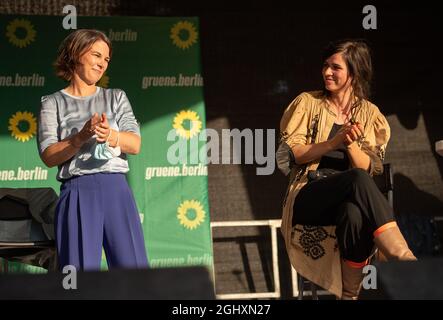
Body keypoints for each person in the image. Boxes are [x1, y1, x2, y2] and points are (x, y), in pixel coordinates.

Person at [277, 39, 416, 300]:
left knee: (353, 212)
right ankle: (402, 258)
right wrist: (334, 141)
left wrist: (351, 145)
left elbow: (368, 167)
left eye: (335, 67)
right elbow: (292, 153)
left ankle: (349, 295)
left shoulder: (369, 113)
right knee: (357, 179)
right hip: (309, 195)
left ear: (354, 72)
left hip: (349, 195)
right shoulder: (308, 103)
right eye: (325, 66)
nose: (326, 72)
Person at [37, 29, 148, 271]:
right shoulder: (51, 103)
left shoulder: (116, 97)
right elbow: (48, 155)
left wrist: (111, 135)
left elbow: (135, 144)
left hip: (116, 189)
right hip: (77, 192)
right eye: (97, 55)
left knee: (135, 275)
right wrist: (80, 137)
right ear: (76, 54)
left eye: (106, 59)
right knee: (79, 277)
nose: (102, 64)